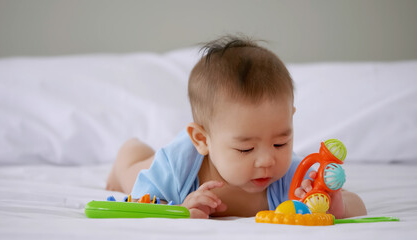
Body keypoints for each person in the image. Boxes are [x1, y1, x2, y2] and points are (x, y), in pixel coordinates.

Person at [106, 35, 367, 219]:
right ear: (202, 139)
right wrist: (180, 210)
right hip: (162, 165)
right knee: (132, 168)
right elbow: (141, 205)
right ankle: (127, 157)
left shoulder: (292, 175)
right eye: (245, 148)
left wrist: (335, 205)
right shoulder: (176, 166)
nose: (267, 160)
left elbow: (358, 205)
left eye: (280, 143)